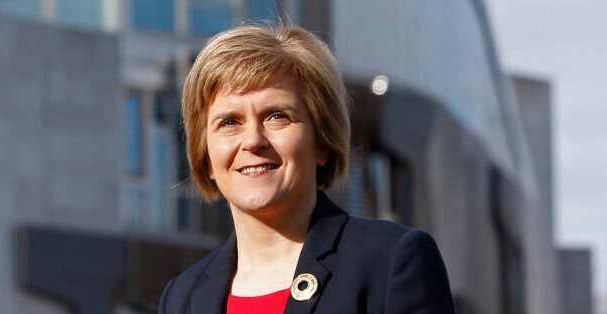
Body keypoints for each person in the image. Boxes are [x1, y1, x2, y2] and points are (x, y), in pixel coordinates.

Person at [158, 24, 456, 314]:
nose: (252, 141)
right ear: (206, 157)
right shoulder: (182, 297)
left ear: (322, 142)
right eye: (229, 122)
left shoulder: (391, 261)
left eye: (277, 116)